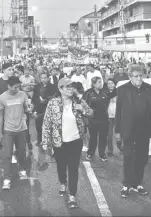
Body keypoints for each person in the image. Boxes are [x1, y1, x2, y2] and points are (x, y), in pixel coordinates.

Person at [41, 78, 94, 209]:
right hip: (59, 142)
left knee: (73, 168)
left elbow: (91, 114)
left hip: (76, 141)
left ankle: (72, 195)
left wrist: (83, 109)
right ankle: (63, 182)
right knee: (61, 166)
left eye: (72, 86)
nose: (71, 89)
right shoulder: (53, 103)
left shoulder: (79, 101)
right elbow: (47, 123)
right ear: (60, 89)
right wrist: (45, 141)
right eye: (67, 86)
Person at [115, 64, 151, 198]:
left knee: (142, 157)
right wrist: (117, 131)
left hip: (144, 129)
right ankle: (127, 184)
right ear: (130, 76)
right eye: (136, 76)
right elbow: (118, 111)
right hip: (128, 130)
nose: (139, 78)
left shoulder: (149, 88)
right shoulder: (122, 89)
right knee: (129, 157)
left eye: (141, 75)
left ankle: (138, 183)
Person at [0, 76, 30, 190]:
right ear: (9, 86)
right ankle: (6, 178)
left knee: (21, 152)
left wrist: (29, 108)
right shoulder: (2, 97)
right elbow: (0, 116)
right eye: (15, 87)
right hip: (8, 130)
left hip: (21, 129)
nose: (17, 89)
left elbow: (27, 108)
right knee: (7, 155)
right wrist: (0, 132)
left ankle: (22, 170)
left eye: (18, 87)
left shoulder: (23, 94)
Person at [85, 77, 114, 161]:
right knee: (93, 138)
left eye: (101, 82)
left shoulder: (105, 92)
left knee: (103, 138)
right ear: (94, 84)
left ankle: (102, 154)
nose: (101, 84)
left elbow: (114, 93)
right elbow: (84, 105)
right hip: (93, 120)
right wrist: (88, 115)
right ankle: (90, 153)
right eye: (98, 82)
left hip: (104, 119)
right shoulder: (88, 93)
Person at [32, 72, 57, 146]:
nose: (43, 80)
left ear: (48, 78)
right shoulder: (37, 86)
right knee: (38, 126)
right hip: (38, 108)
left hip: (47, 109)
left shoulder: (53, 87)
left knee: (48, 126)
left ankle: (48, 141)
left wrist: (46, 100)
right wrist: (34, 109)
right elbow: (34, 98)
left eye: (45, 78)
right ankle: (40, 140)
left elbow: (54, 98)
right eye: (42, 78)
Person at [104, 79, 118, 156]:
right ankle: (110, 150)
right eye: (108, 83)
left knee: (119, 132)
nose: (110, 85)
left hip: (117, 115)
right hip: (109, 115)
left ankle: (120, 146)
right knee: (109, 134)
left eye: (112, 83)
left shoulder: (119, 92)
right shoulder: (105, 93)